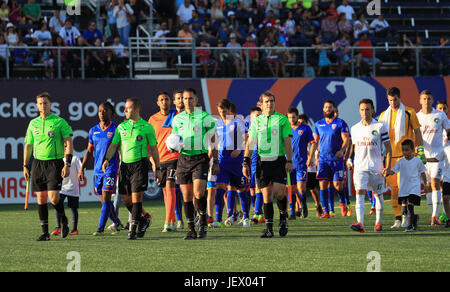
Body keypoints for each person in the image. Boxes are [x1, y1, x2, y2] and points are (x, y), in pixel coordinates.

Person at [102, 98, 162, 240]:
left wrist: (157, 168)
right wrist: (107, 159)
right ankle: (144, 219)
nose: (124, 111)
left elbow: (154, 149)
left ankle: (133, 229)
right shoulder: (121, 127)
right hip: (124, 166)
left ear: (135, 109)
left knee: (137, 198)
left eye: (127, 108)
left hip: (139, 165)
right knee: (126, 199)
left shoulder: (147, 127)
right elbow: (113, 146)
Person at [23, 92, 73, 241]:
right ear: (37, 105)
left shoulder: (59, 122)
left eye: (45, 103)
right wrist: (25, 165)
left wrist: (67, 164)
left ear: (50, 104)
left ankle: (63, 220)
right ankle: (45, 233)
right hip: (37, 164)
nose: (43, 106)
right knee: (41, 198)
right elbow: (28, 146)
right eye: (40, 103)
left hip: (55, 163)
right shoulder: (33, 123)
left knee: (53, 198)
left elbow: (69, 143)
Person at [243, 91, 294, 238]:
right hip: (262, 162)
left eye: (272, 101)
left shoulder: (282, 119)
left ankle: (283, 219)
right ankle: (269, 229)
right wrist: (245, 161)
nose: (269, 104)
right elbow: (250, 142)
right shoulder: (257, 121)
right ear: (261, 104)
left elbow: (287, 142)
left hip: (278, 161)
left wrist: (289, 160)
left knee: (279, 192)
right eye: (266, 101)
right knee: (266, 196)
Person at [171, 88, 219, 240]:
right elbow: (174, 138)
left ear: (196, 100)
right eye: (184, 99)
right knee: (187, 196)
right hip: (183, 159)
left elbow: (213, 140)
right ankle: (191, 229)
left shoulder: (205, 117)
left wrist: (216, 161)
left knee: (198, 193)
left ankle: (203, 223)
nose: (187, 101)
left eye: (190, 98)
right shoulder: (178, 119)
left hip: (200, 158)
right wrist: (173, 145)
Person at [379, 87, 424, 228]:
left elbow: (417, 132)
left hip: (406, 157)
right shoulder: (383, 115)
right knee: (394, 190)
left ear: (400, 97)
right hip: (390, 158)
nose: (393, 103)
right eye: (390, 100)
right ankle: (398, 219)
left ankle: (407, 216)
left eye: (395, 100)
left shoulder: (409, 112)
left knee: (405, 188)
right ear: (387, 99)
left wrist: (420, 150)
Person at [347, 99, 392, 233]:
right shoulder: (355, 128)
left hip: (376, 168)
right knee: (359, 193)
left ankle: (378, 223)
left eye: (367, 109)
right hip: (360, 168)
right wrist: (350, 159)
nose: (365, 112)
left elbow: (388, 149)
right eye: (362, 109)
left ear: (372, 110)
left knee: (378, 194)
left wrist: (387, 167)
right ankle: (360, 223)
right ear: (359, 111)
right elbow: (354, 147)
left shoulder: (380, 126)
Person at [78, 102, 123, 236]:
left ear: (111, 112)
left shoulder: (116, 129)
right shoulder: (93, 130)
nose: (101, 113)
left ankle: (100, 228)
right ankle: (117, 222)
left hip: (111, 167)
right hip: (97, 170)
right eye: (99, 111)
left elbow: (120, 149)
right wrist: (82, 169)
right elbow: (89, 151)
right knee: (104, 201)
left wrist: (121, 164)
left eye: (105, 110)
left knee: (106, 196)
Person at [310, 100, 350, 219]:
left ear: (333, 109)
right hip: (323, 160)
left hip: (337, 160)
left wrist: (341, 151)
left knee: (338, 186)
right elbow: (315, 142)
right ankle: (326, 212)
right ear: (323, 109)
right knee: (323, 185)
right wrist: (312, 157)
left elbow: (346, 140)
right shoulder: (318, 124)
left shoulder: (340, 123)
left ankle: (343, 202)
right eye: (326, 107)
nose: (328, 109)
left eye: (330, 107)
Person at [416, 90, 450, 225]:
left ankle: (435, 216)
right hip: (423, 157)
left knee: (436, 183)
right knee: (428, 186)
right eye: (424, 99)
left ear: (432, 100)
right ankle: (433, 215)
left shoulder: (440, 115)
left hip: (438, 156)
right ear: (420, 100)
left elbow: (448, 130)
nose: (426, 101)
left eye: (429, 99)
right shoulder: (417, 116)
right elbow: (415, 134)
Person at [148, 91, 180, 232]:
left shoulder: (177, 116)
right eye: (161, 100)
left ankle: (168, 221)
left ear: (170, 101)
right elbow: (149, 144)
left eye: (166, 99)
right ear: (157, 102)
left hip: (174, 158)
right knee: (166, 192)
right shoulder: (152, 119)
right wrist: (154, 163)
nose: (164, 102)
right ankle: (173, 220)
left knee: (171, 187)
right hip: (159, 160)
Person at [214, 99, 249, 227]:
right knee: (221, 188)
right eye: (220, 111)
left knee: (240, 190)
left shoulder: (238, 121)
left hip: (236, 160)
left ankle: (246, 217)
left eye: (224, 111)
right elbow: (215, 141)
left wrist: (239, 148)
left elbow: (245, 138)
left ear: (229, 110)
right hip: (223, 161)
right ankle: (218, 220)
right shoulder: (217, 124)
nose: (222, 113)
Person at [386, 139, 428, 232]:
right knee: (404, 208)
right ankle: (414, 218)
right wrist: (387, 172)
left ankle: (411, 226)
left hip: (414, 188)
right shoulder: (401, 161)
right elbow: (393, 171)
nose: (405, 152)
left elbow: (423, 173)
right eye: (403, 150)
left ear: (412, 150)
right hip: (404, 188)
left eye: (407, 150)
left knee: (410, 205)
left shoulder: (418, 161)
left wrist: (425, 184)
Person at [286, 107, 315, 219]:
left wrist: (311, 157)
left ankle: (303, 205)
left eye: (293, 117)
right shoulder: (285, 128)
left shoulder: (305, 128)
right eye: (289, 117)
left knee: (301, 188)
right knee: (291, 189)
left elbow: (313, 143)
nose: (291, 119)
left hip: (301, 164)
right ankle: (292, 212)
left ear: (297, 116)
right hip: (288, 164)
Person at [51, 152, 82, 236]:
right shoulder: (59, 158)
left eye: (66, 146)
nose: (65, 148)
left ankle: (74, 229)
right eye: (63, 146)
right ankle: (59, 227)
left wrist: (81, 174)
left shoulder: (75, 158)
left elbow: (81, 169)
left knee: (73, 208)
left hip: (73, 187)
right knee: (57, 205)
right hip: (62, 187)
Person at [428, 131, 450, 227]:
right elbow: (436, 159)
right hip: (447, 178)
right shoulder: (446, 149)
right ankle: (449, 219)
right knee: (445, 199)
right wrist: (425, 159)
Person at [247, 106, 265, 223]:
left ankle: (256, 214)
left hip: (261, 164)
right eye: (256, 116)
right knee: (252, 190)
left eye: (260, 115)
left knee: (259, 189)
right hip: (250, 164)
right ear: (251, 118)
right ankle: (260, 213)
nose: (258, 118)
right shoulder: (247, 131)